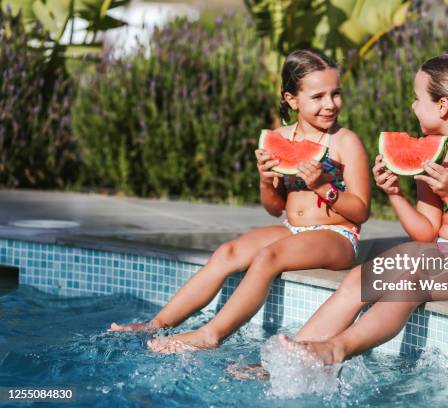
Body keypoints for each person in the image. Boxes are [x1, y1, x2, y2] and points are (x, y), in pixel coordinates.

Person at [109, 49, 371, 354]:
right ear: (292, 99)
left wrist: (324, 186)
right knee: (227, 252)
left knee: (267, 258)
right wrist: (264, 178)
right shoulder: (280, 137)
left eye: (335, 94)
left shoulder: (345, 141)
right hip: (292, 228)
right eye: (318, 96)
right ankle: (157, 324)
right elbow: (274, 208)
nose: (330, 104)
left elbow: (362, 211)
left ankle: (211, 334)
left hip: (337, 236)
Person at [279, 53, 448, 365]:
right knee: (363, 277)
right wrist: (394, 193)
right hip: (444, 249)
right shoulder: (436, 146)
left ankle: (336, 348)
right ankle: (291, 356)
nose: (412, 106)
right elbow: (426, 230)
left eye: (416, 98)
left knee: (408, 282)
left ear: (443, 106)